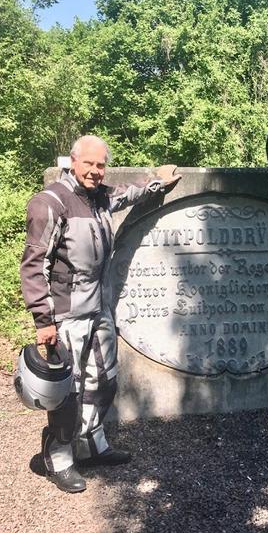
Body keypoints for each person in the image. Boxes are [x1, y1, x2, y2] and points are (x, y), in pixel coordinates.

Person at [20, 135, 180, 492]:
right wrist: (43, 320)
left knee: (103, 379)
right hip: (66, 314)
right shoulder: (50, 203)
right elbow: (34, 264)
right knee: (69, 390)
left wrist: (159, 182)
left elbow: (129, 194)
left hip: (99, 309)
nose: (95, 171)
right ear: (72, 162)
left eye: (100, 165)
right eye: (88, 164)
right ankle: (58, 456)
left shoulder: (101, 197)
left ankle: (91, 445)